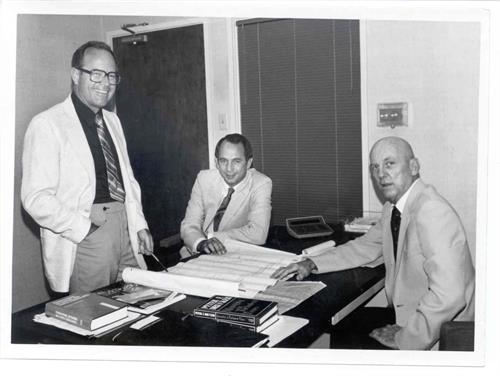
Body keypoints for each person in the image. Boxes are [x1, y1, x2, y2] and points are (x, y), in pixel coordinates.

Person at [272, 136, 475, 350]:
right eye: (375, 167)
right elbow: (366, 246)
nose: (381, 174)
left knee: (345, 337)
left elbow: (450, 295)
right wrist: (311, 263)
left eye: (390, 164)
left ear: (413, 166)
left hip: (440, 334)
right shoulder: (394, 207)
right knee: (342, 325)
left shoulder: (431, 211)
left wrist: (405, 338)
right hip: (411, 313)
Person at [21, 41, 153, 294]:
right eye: (96, 74)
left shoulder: (112, 121)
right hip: (87, 234)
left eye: (112, 75)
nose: (105, 83)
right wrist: (83, 228)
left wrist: (138, 224)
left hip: (125, 229)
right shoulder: (47, 124)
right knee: (95, 318)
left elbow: (127, 180)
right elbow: (35, 198)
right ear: (75, 74)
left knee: (139, 305)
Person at [180, 133, 272, 257]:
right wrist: (202, 243)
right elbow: (189, 224)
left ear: (249, 163)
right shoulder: (204, 179)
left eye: (236, 161)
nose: (229, 169)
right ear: (216, 162)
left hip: (235, 255)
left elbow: (258, 233)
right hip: (197, 252)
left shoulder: (261, 184)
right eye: (223, 161)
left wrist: (211, 237)